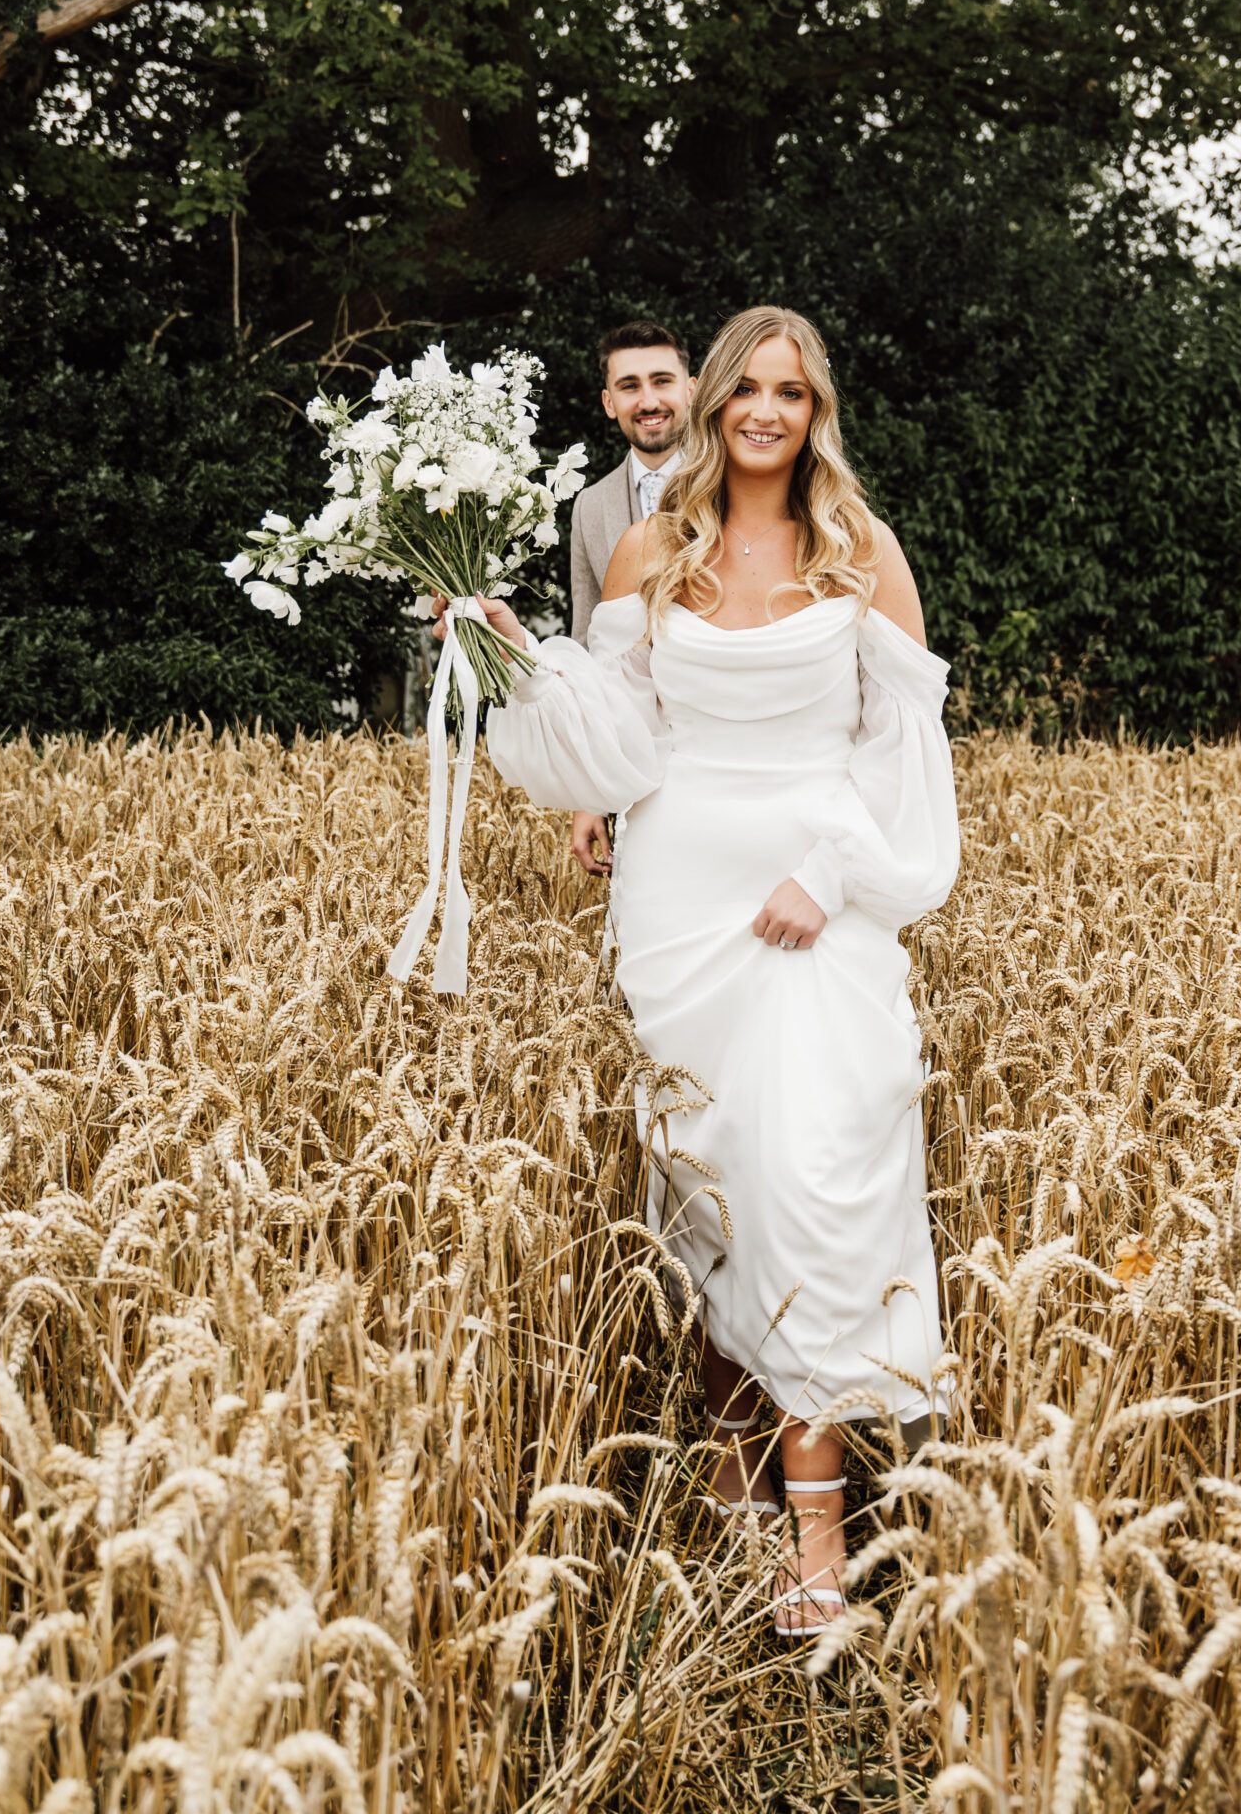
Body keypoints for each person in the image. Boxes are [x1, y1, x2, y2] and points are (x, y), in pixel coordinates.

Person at [463, 303, 959, 1639]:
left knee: (816, 1190)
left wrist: (827, 870)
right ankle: (740, 1506)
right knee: (711, 1203)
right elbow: (616, 746)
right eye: (748, 389)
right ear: (709, 402)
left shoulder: (860, 551)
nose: (764, 413)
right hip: (678, 909)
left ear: (814, 414)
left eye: (791, 395)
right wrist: (514, 659)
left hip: (816, 907)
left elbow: (901, 755)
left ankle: (815, 1547)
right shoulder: (644, 549)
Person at [566, 323, 695, 881]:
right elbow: (587, 649)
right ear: (608, 401)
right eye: (629, 385)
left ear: (691, 387)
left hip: (724, 738)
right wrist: (590, 788)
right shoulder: (589, 508)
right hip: (636, 761)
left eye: (662, 381)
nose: (648, 401)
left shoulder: (745, 482)